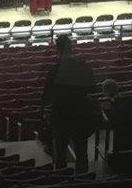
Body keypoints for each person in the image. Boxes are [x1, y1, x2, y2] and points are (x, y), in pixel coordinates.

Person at [43, 35, 102, 174]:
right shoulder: (83, 67)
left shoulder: (53, 72)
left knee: (60, 155)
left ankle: (62, 183)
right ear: (72, 48)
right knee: (81, 153)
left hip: (60, 117)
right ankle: (83, 182)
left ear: (57, 50)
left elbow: (46, 98)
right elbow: (93, 89)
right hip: (80, 115)